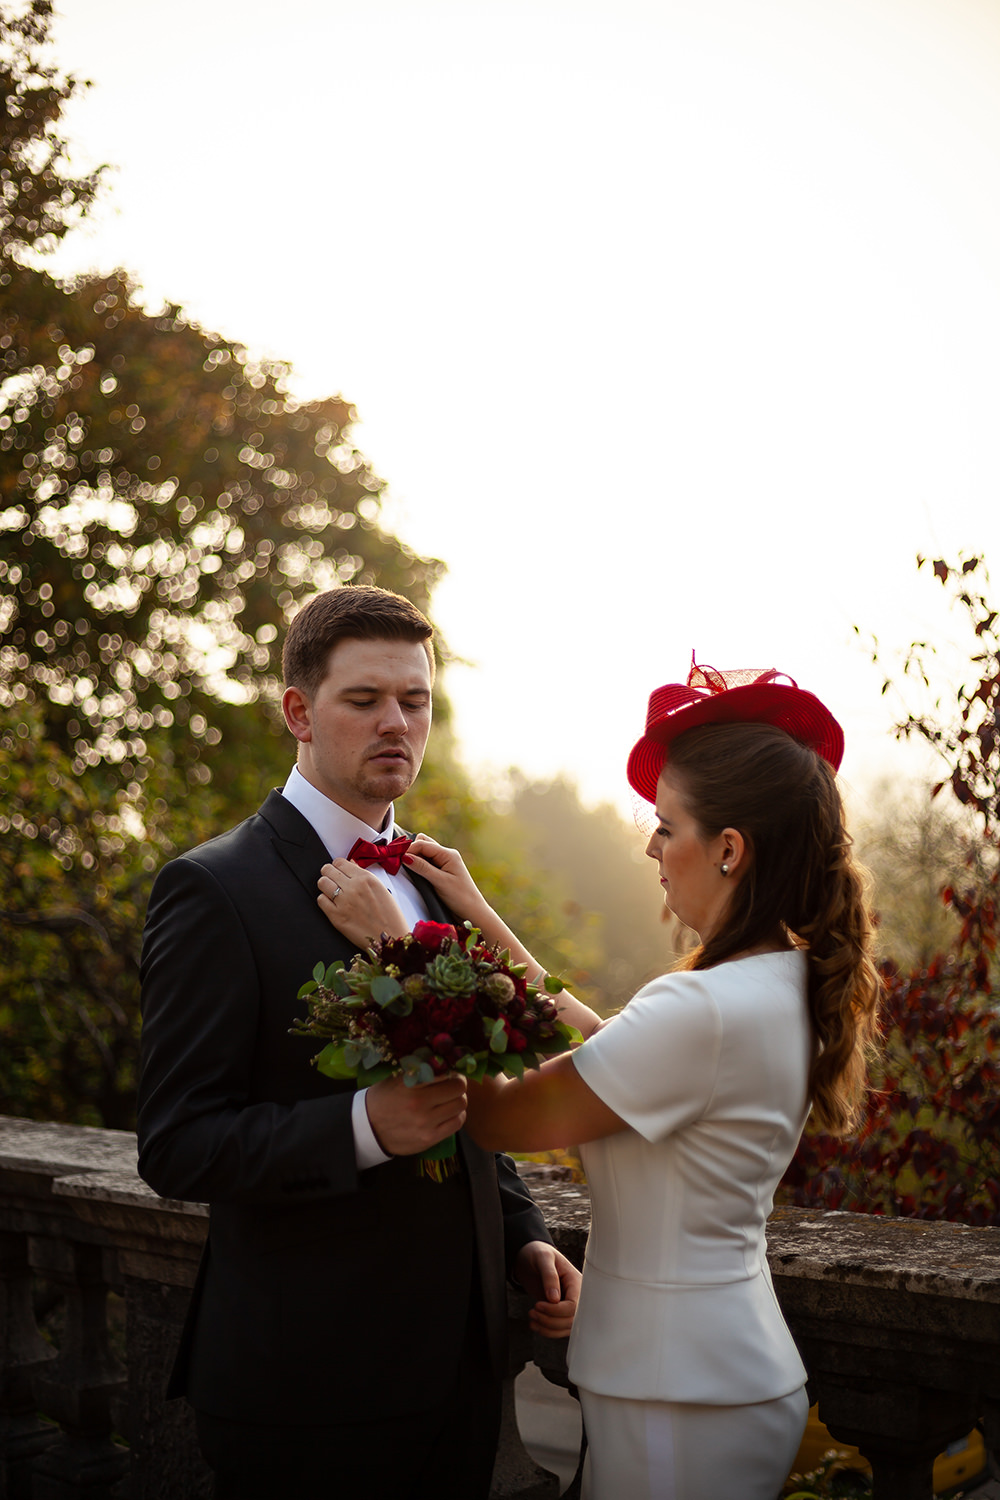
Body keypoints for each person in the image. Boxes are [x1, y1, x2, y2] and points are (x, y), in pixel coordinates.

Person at [327, 660, 882, 1500]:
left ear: (729, 849)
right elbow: (607, 1050)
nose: (652, 848)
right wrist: (479, 918)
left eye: (667, 827)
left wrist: (400, 951)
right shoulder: (779, 979)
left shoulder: (704, 1009)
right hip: (714, 1378)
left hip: (679, 1398)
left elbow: (504, 1116)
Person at [136, 584, 581, 1500]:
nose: (397, 724)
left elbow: (464, 1090)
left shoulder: (434, 881)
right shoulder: (212, 891)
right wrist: (364, 1126)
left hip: (461, 1377)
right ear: (299, 710)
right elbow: (177, 1143)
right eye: (365, 700)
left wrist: (522, 1232)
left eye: (414, 702)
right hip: (308, 1391)